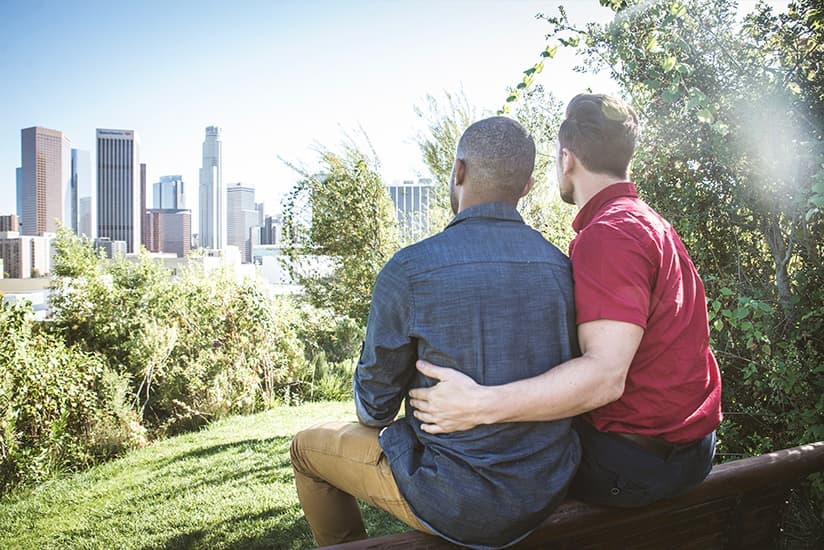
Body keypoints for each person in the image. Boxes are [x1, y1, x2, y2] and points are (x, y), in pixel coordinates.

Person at [409, 93, 722, 508]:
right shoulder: (649, 222)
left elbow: (605, 376)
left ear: (567, 159)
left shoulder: (610, 235)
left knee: (482, 466)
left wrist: (480, 405)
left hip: (635, 464)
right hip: (689, 448)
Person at [290, 116, 581, 548]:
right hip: (545, 488)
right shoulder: (564, 269)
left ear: (458, 171)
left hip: (455, 501)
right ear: (527, 186)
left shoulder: (409, 271)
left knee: (304, 449)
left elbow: (374, 410)